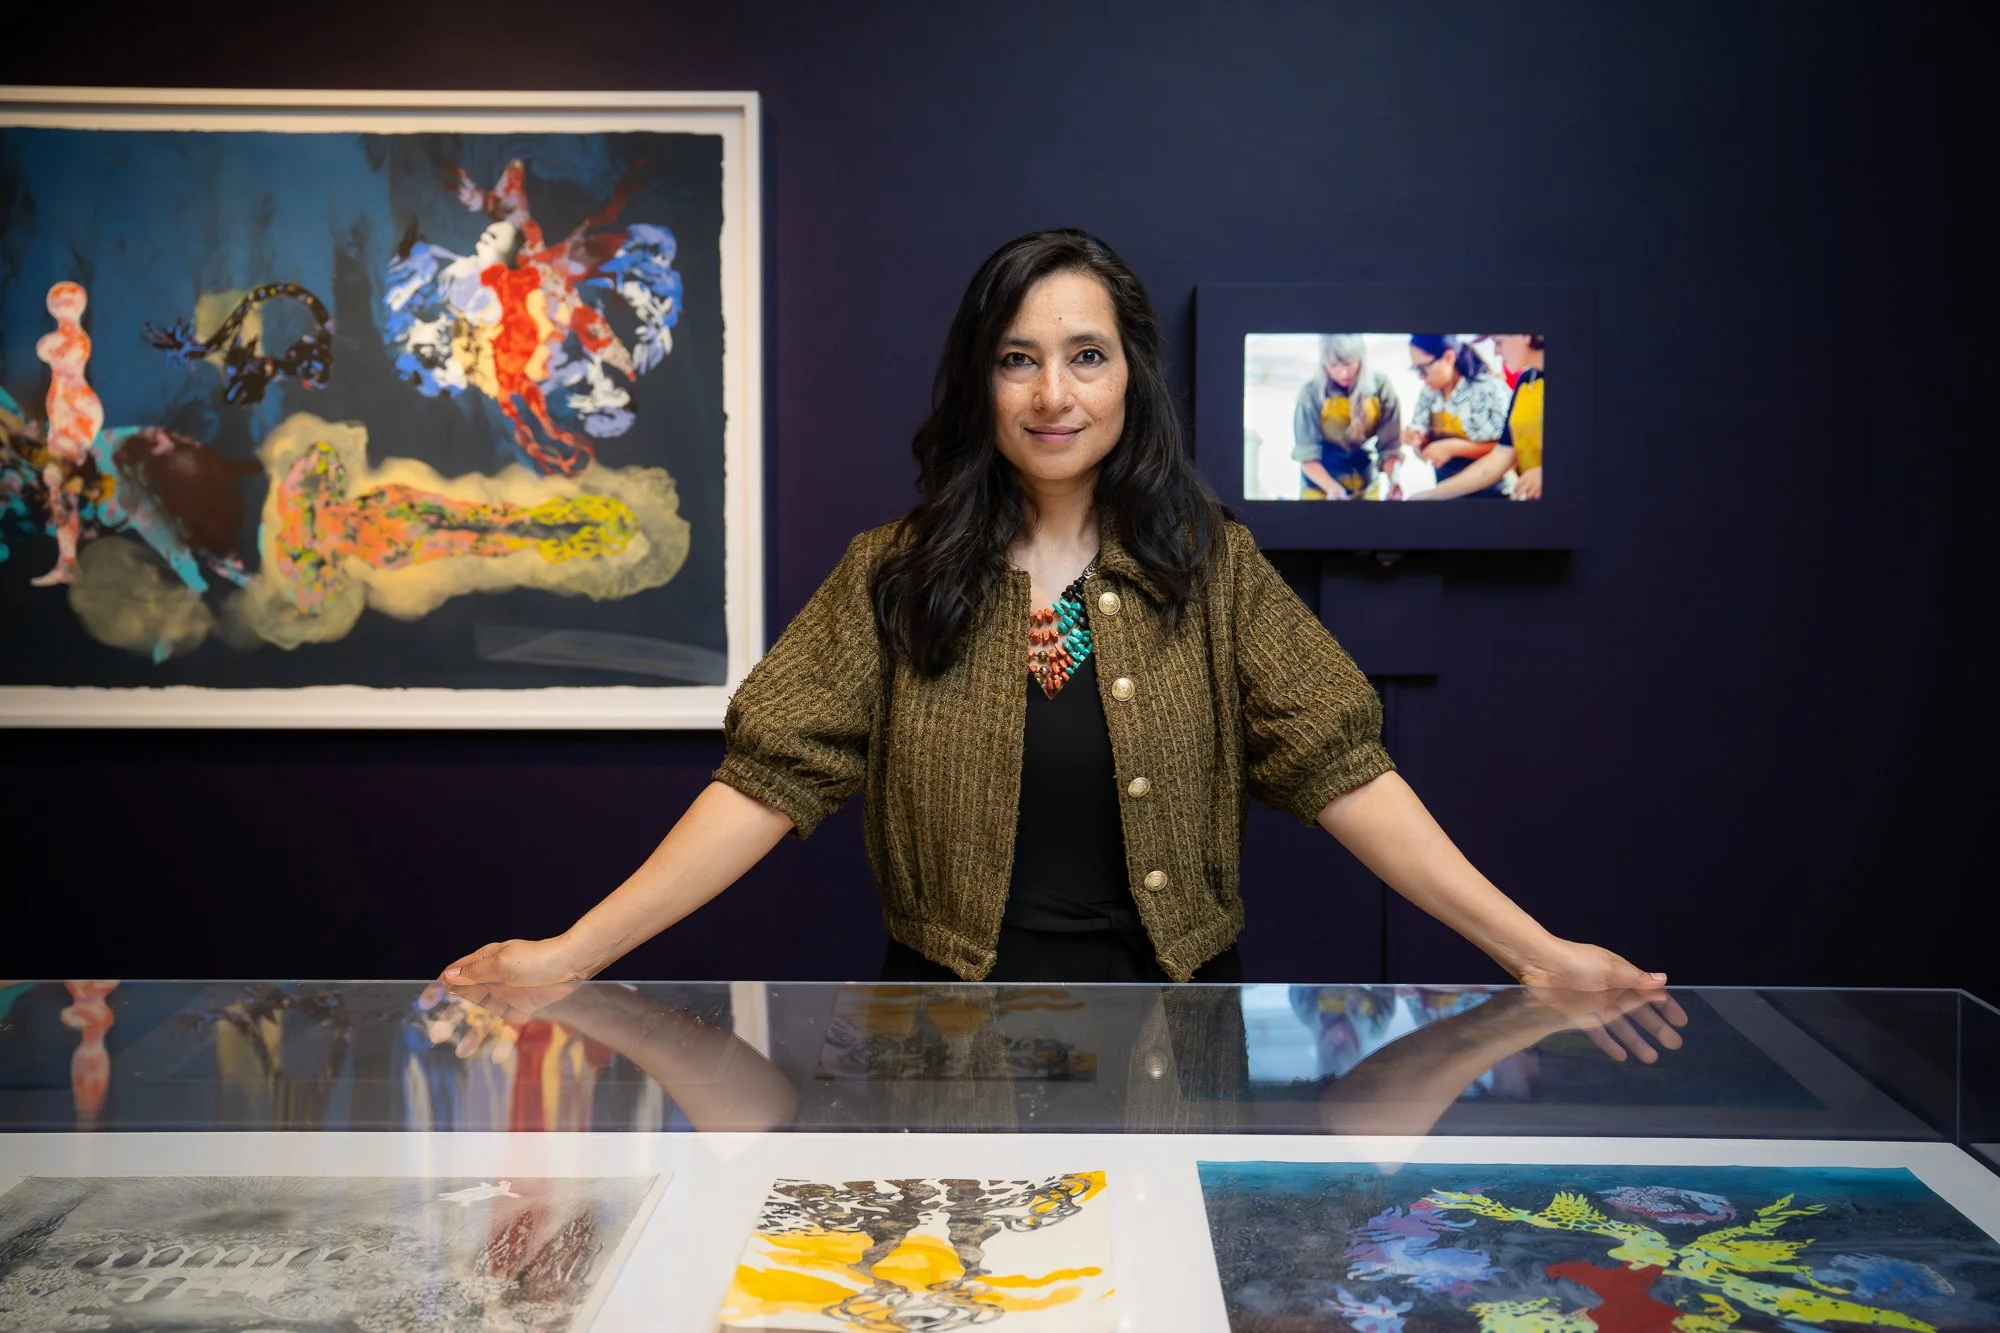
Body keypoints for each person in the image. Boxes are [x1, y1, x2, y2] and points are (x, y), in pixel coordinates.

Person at [439, 230, 1667, 997]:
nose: (1052, 392)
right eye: (1017, 358)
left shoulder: (1213, 568)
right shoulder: (893, 568)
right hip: (937, 1034)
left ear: (1132, 372)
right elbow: (759, 783)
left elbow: (1347, 772)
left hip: (1179, 1032)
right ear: (980, 382)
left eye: (1085, 355)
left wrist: (1534, 952)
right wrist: (568, 954)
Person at [1398, 333, 1514, 501]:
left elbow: (1508, 450)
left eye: (1424, 368)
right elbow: (1424, 448)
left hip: (1492, 495)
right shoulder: (1428, 393)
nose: (1420, 376)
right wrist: (1416, 441)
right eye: (1416, 369)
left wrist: (1455, 448)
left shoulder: (1489, 389)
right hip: (1446, 492)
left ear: (1448, 357)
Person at [1291, 335, 1401, 500]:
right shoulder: (1310, 393)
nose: (1343, 372)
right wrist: (1333, 489)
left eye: (1349, 363)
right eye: (1333, 365)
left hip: (1366, 484)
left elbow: (1390, 448)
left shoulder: (1381, 386)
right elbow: (1307, 456)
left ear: (1361, 358)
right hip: (1321, 488)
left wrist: (1395, 482)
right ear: (1323, 363)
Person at [1492, 332, 1545, 501]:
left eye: (1499, 342)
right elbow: (1504, 452)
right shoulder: (1525, 380)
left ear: (1525, 336)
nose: (1496, 352)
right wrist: (1434, 495)